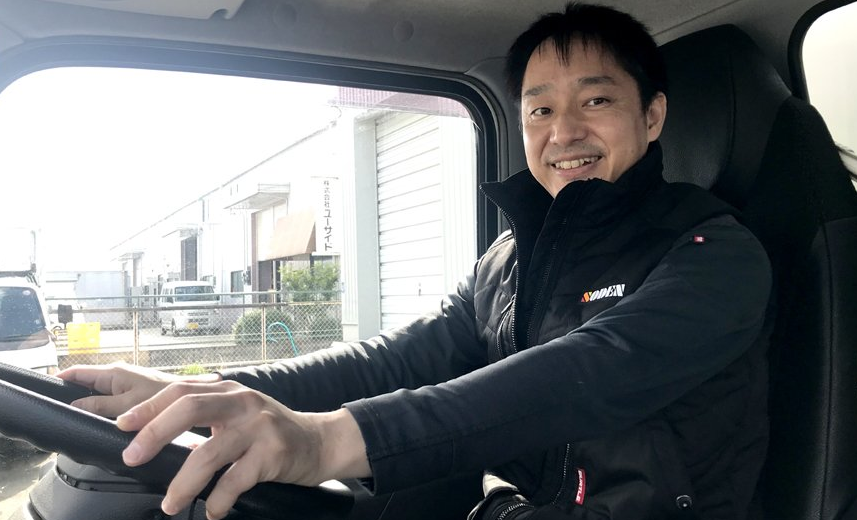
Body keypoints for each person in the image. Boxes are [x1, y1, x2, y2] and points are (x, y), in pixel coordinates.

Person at [59, 3, 773, 520]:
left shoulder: (715, 255)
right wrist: (201, 389)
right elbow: (393, 361)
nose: (565, 132)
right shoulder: (509, 261)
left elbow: (583, 375)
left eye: (597, 100)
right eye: (540, 110)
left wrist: (326, 439)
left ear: (652, 116)